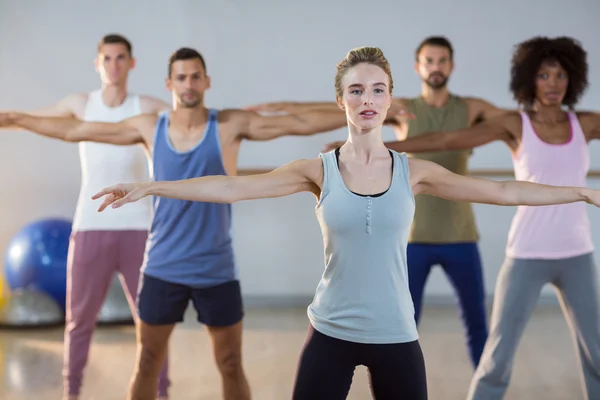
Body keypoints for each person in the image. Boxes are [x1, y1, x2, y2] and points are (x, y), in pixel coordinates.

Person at [89, 46, 600, 400]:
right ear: (342, 102)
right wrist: (153, 186)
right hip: (330, 330)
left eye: (378, 90)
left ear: (390, 99)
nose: (367, 100)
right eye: (356, 91)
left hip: (397, 334)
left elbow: (503, 191)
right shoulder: (318, 169)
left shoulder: (413, 170)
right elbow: (231, 187)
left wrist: (577, 191)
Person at [0, 46, 368, 400]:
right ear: (169, 84)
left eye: (195, 77)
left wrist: (361, 108)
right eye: (181, 78)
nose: (188, 84)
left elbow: (295, 124)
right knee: (147, 361)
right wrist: (15, 118)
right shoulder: (149, 126)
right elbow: (74, 131)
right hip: (163, 266)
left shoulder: (226, 124)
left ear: (206, 81)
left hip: (216, 268)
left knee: (230, 362)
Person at [351, 36, 600, 399]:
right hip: (526, 254)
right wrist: (382, 148)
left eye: (560, 76)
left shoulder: (587, 123)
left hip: (577, 253)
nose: (552, 84)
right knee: (497, 356)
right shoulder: (516, 124)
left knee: (597, 353)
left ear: (572, 79)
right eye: (544, 76)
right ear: (530, 79)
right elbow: (449, 139)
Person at [245, 36, 512, 368]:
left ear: (451, 66)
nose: (436, 67)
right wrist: (283, 105)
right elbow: (326, 109)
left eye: (442, 60)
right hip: (414, 235)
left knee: (476, 321)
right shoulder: (403, 108)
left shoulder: (472, 108)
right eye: (429, 60)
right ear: (418, 67)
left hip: (461, 232)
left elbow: (516, 122)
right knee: (405, 321)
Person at [1, 33, 171, 400]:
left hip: (139, 227)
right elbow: (29, 120)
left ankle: (161, 392)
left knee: (151, 320)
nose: (114, 65)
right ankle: (71, 393)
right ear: (97, 64)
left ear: (132, 63)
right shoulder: (80, 104)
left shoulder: (148, 106)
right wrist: (8, 119)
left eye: (121, 58)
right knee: (79, 321)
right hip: (91, 226)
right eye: (107, 59)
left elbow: (194, 121)